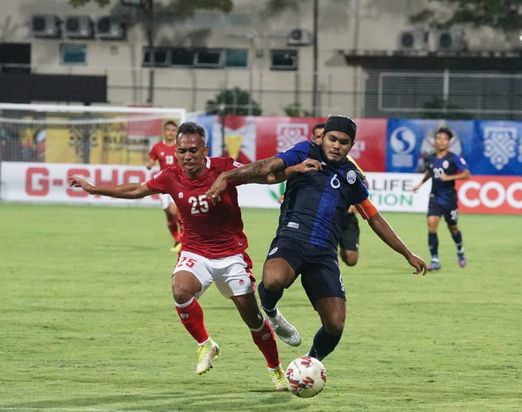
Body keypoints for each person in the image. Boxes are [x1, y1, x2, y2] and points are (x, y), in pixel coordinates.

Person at [69, 122, 319, 390]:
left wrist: (294, 170)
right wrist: (96, 189)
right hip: (195, 252)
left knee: (252, 318)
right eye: (181, 151)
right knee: (180, 290)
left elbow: (267, 177)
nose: (187, 156)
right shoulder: (170, 175)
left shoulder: (224, 167)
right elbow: (138, 189)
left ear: (204, 150)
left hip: (231, 256)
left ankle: (276, 369)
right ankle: (205, 344)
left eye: (192, 150)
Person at [206, 115, 427, 362]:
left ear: (351, 146)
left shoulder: (351, 176)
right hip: (292, 239)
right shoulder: (304, 151)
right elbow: (269, 167)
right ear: (322, 138)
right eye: (332, 139)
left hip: (324, 254)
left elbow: (374, 218)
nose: (336, 145)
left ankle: (309, 364)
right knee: (273, 280)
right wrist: (227, 177)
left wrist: (407, 253)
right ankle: (271, 311)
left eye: (344, 142)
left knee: (335, 324)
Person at [411, 127, 471, 271]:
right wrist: (420, 183)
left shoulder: (454, 158)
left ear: (449, 142)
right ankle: (435, 260)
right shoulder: (430, 157)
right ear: (435, 141)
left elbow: (467, 174)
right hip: (435, 197)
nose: (441, 141)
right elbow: (430, 172)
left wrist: (449, 177)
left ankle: (460, 249)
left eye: (444, 139)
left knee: (453, 228)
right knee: (431, 224)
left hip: (449, 199)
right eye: (438, 138)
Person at [312, 122, 363, 267]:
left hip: (344, 217)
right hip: (318, 218)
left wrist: (354, 203)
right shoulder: (307, 157)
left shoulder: (346, 162)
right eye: (318, 137)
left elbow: (362, 183)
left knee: (351, 259)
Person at [146, 120, 181, 252]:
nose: (171, 133)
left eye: (173, 130)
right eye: (168, 130)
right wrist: (149, 164)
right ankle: (177, 239)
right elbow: (151, 160)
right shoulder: (157, 147)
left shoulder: (179, 147)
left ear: (176, 133)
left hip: (177, 183)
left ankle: (184, 239)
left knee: (175, 212)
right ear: (164, 132)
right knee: (168, 213)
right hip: (163, 184)